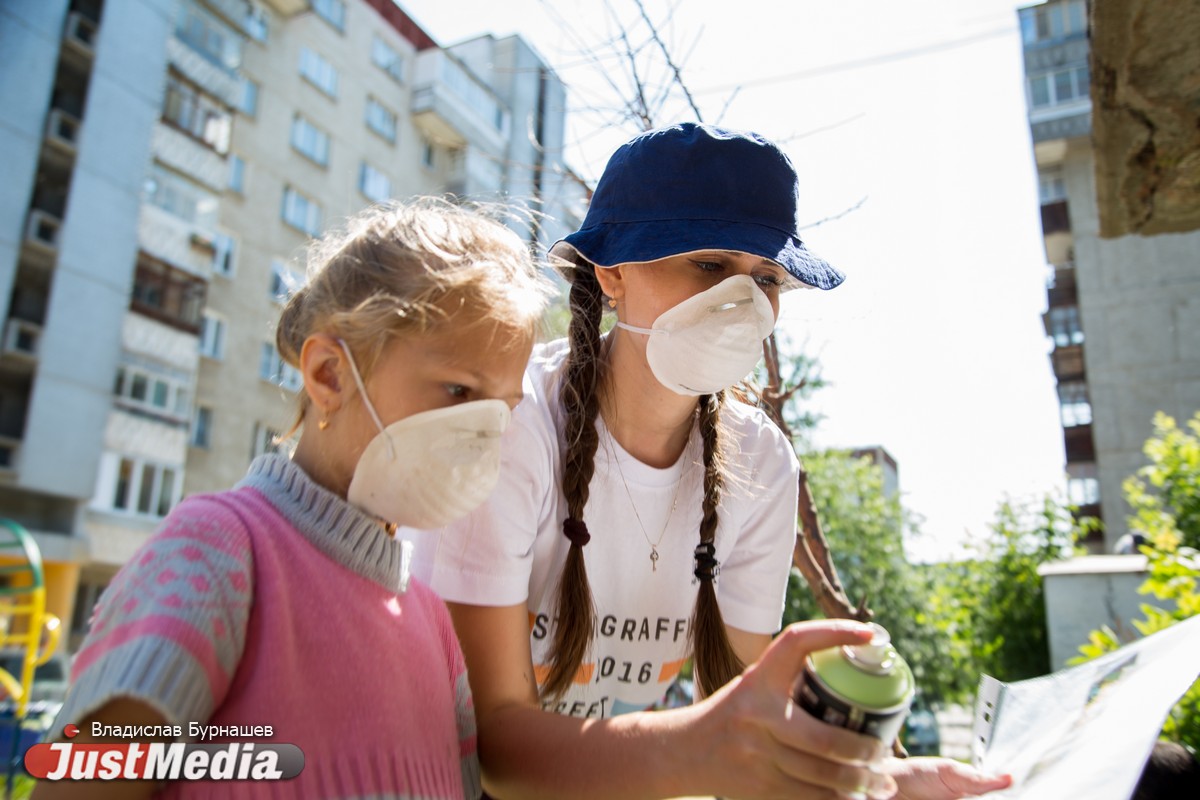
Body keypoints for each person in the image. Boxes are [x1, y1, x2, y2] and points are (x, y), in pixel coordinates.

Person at [409, 123, 1013, 799]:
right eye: (709, 265)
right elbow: (495, 749)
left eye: (768, 278)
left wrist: (877, 786)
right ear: (611, 272)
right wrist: (701, 750)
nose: (745, 302)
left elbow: (742, 745)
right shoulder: (514, 426)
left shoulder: (762, 464)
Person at [37, 199, 552, 799]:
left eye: (503, 409)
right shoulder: (222, 555)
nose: (482, 432)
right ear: (329, 374)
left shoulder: (435, 625)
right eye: (458, 389)